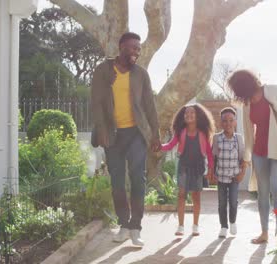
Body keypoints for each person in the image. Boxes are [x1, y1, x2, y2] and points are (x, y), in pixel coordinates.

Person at [91, 32, 161, 247]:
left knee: (138, 179)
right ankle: (123, 225)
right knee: (117, 182)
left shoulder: (141, 74)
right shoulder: (103, 70)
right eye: (133, 48)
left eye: (138, 49)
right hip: (112, 134)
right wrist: (101, 129)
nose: (136, 52)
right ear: (121, 47)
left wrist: (155, 134)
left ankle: (136, 227)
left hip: (135, 134)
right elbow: (95, 102)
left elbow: (149, 105)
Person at [226, 70, 277, 247]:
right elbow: (248, 132)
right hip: (260, 153)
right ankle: (265, 233)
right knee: (262, 194)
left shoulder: (272, 91)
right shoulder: (246, 104)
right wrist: (246, 158)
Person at [160, 103, 215, 236]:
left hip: (198, 166)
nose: (189, 115)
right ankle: (180, 226)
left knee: (196, 196)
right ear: (183, 116)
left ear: (197, 116)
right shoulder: (181, 132)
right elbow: (170, 145)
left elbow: (208, 152)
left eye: (192, 113)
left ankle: (195, 226)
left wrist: (211, 169)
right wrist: (159, 146)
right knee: (181, 195)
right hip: (183, 165)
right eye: (186, 113)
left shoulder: (203, 133)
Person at [212, 107, 246, 238]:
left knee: (233, 201)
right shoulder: (216, 138)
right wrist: (212, 173)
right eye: (225, 121)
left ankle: (232, 222)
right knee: (222, 203)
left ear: (235, 122)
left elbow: (243, 159)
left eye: (231, 120)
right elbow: (213, 157)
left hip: (234, 177)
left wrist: (242, 173)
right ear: (221, 123)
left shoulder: (239, 139)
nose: (228, 123)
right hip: (220, 177)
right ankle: (224, 226)